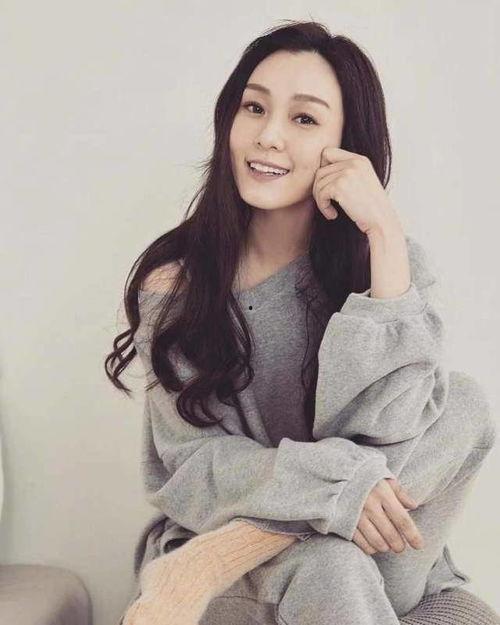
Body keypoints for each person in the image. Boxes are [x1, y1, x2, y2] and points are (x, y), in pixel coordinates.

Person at [105, 19, 498, 625]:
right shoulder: (179, 287)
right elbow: (192, 468)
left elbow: (395, 434)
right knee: (330, 566)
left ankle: (244, 548)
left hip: (382, 565)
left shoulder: (390, 267)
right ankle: (226, 555)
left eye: (304, 118)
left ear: (347, 147)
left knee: (464, 405)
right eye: (254, 108)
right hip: (239, 569)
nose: (268, 136)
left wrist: (384, 234)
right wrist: (338, 488)